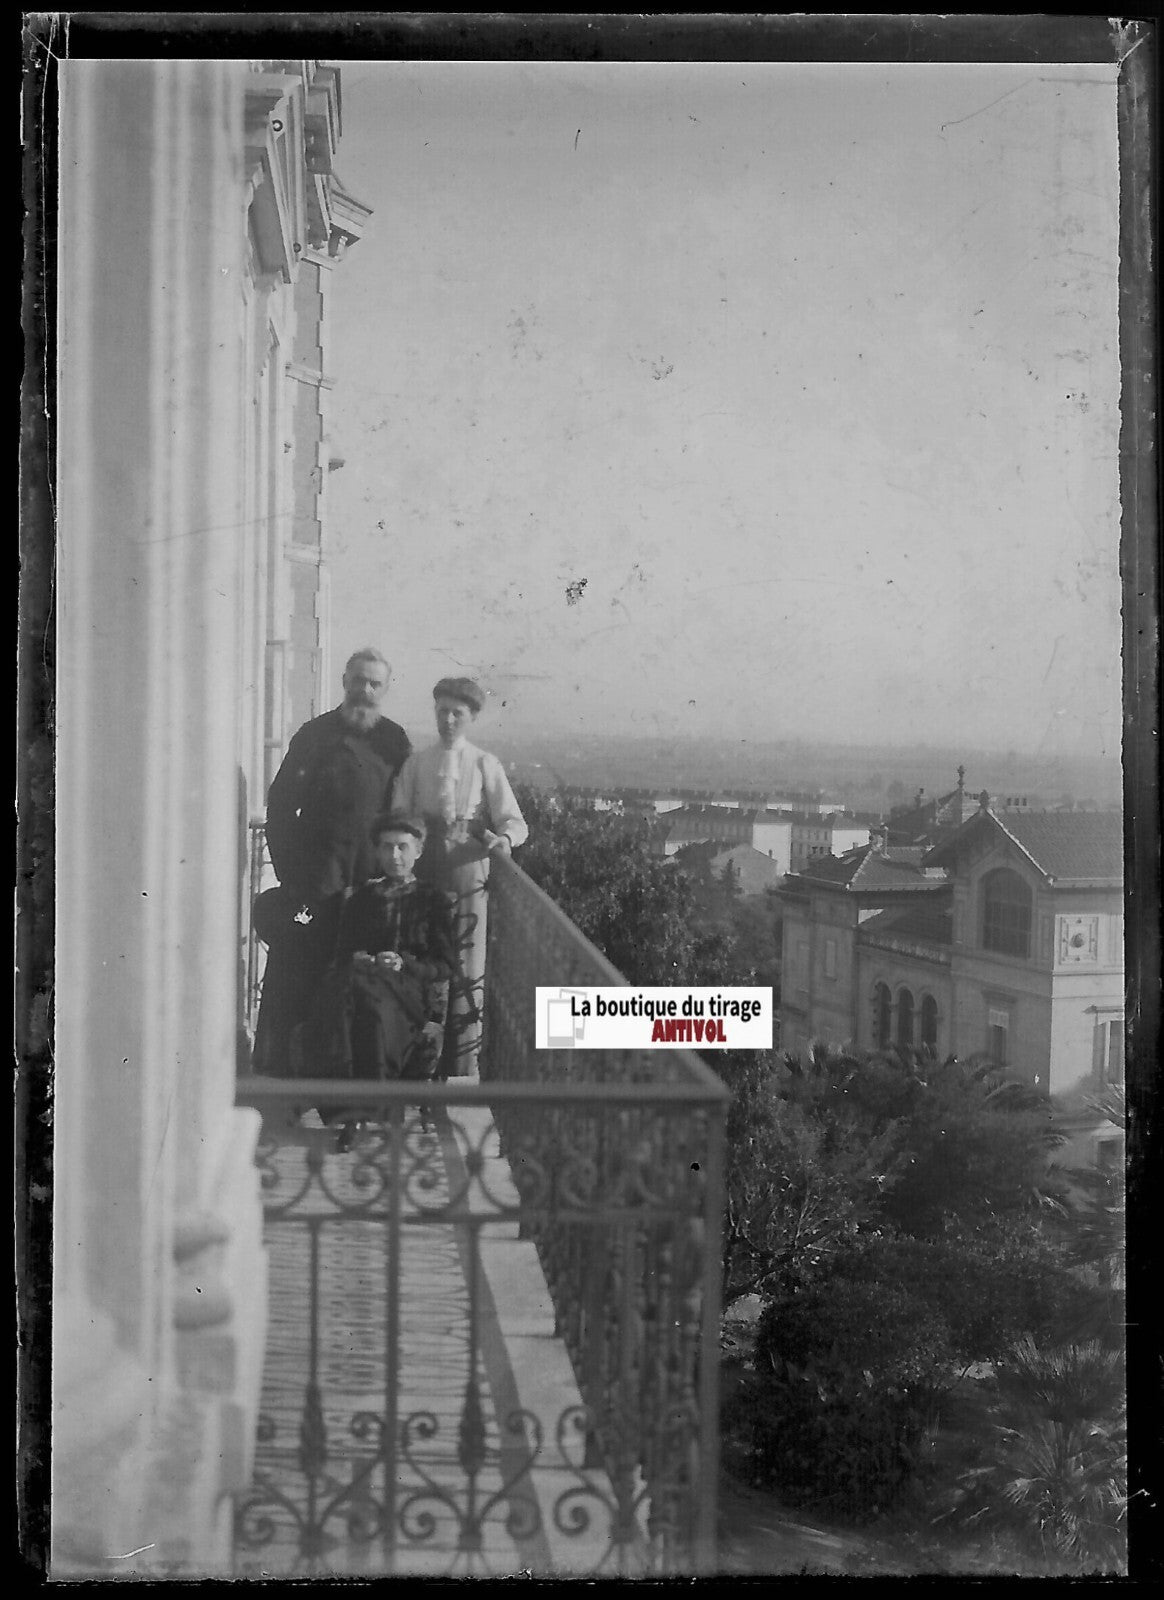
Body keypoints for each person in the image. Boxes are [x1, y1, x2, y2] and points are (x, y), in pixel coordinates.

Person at [252, 648, 411, 1074]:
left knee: (361, 990)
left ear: (386, 689)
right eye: (358, 680)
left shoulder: (395, 742)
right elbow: (280, 808)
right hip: (315, 885)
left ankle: (354, 1095)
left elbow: (405, 817)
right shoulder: (314, 734)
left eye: (374, 683)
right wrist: (292, 876)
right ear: (344, 681)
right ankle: (281, 1080)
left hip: (369, 886)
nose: (365, 690)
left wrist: (393, 876)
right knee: (297, 980)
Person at [390, 676, 528, 1079]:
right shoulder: (416, 764)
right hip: (424, 866)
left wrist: (503, 839)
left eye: (457, 713)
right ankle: (414, 1064)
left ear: (470, 717)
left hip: (469, 869)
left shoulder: (484, 763)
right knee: (420, 955)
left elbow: (514, 821)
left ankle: (461, 1068)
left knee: (467, 961)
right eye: (442, 712)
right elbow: (398, 814)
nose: (448, 720)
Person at [302, 815, 457, 1085]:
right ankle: (347, 1108)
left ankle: (369, 1102)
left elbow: (444, 965)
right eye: (386, 847)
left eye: (402, 847)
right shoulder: (360, 900)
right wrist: (365, 959)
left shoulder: (433, 901)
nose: (394, 855)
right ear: (376, 851)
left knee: (371, 1011)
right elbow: (342, 956)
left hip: (409, 993)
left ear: (418, 851)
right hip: (361, 981)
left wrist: (404, 964)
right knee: (340, 1008)